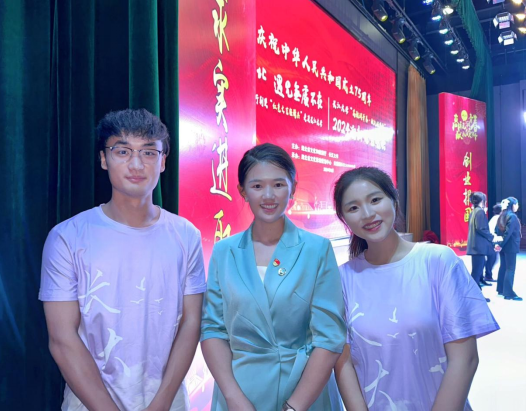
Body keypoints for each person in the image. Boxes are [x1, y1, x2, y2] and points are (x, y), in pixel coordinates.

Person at [39, 109, 206, 411]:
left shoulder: (186, 235)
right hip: (88, 403)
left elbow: (191, 322)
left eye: (149, 152)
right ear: (104, 159)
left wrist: (162, 402)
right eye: (123, 151)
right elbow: (62, 338)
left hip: (167, 402)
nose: (137, 164)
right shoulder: (67, 237)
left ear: (163, 161)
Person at [333, 167, 499, 411]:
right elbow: (343, 362)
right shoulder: (343, 279)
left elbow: (465, 359)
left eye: (375, 200)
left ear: (394, 199)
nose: (367, 214)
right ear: (343, 218)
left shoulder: (438, 261)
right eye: (353, 208)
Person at [201, 143, 346, 411]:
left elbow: (329, 337)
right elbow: (212, 329)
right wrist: (233, 397)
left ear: (293, 187)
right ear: (242, 191)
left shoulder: (317, 249)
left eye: (278, 184)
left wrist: (295, 406)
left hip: (305, 389)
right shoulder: (224, 251)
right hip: (241, 391)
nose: (268, 195)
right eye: (257, 186)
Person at [466, 192, 498, 294]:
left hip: (475, 246)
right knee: (476, 272)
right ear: (482, 201)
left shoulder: (474, 211)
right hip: (478, 247)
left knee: (477, 271)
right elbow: (481, 228)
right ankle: (475, 294)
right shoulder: (480, 212)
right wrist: (492, 237)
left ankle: (475, 293)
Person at [495, 197, 522, 301]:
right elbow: (508, 233)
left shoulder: (502, 215)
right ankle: (508, 293)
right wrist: (501, 245)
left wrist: (498, 244)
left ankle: (501, 289)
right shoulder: (512, 216)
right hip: (510, 246)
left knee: (503, 267)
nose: (517, 206)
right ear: (512, 205)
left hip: (504, 246)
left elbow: (497, 231)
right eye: (517, 204)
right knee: (510, 268)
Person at [485, 203, 502, 282]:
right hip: (493, 241)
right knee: (492, 259)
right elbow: (493, 231)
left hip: (492, 240)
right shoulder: (497, 218)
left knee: (494, 258)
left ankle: (489, 274)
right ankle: (488, 275)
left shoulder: (494, 218)